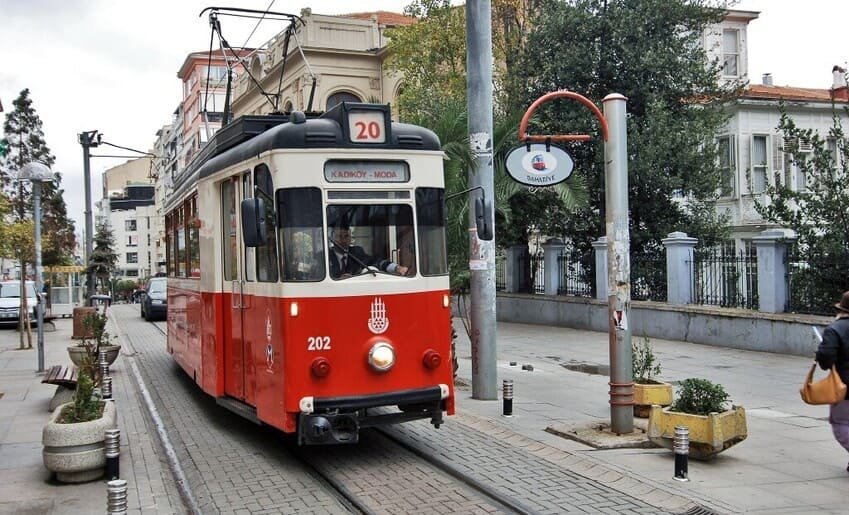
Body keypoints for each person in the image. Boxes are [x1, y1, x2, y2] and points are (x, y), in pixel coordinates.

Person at [815, 290, 849, 472]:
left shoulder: (835, 329)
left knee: (842, 423)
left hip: (844, 386)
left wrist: (821, 356)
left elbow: (826, 358)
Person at [329, 227, 408, 278]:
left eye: (346, 236)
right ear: (333, 239)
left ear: (350, 239)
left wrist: (396, 268)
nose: (343, 240)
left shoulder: (357, 252)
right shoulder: (326, 255)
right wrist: (338, 279)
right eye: (339, 236)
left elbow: (376, 262)